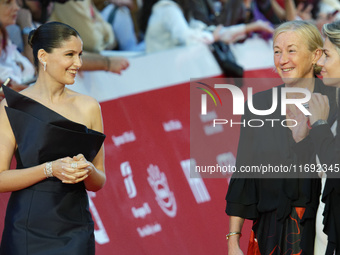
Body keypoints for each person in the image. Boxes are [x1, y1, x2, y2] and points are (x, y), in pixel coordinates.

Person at [225, 20, 337, 255]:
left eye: (291, 50)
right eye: (277, 51)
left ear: (316, 54)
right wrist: (233, 240)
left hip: (319, 231)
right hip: (269, 233)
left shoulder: (333, 100)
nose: (282, 60)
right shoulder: (259, 105)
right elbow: (244, 172)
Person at [0, 21, 106, 255]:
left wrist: (88, 170)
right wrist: (50, 169)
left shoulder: (89, 107)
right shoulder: (11, 107)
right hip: (26, 229)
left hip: (75, 230)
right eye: (70, 54)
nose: (78, 63)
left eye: (79, 54)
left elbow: (99, 181)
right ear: (43, 56)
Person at [288, 20, 340, 255]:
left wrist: (319, 124)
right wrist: (302, 139)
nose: (319, 63)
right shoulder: (334, 97)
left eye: (326, 55)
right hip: (323, 231)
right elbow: (322, 164)